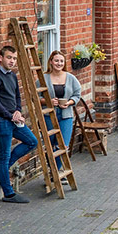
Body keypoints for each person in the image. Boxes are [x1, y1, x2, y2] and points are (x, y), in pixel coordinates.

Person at [0, 46, 38, 203]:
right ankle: (9, 194)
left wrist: (17, 112)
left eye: (14, 58)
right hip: (0, 121)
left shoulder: (13, 76)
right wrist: (10, 116)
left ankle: (1, 169)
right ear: (1, 57)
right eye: (9, 57)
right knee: (3, 155)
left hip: (12, 119)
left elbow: (17, 97)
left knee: (32, 141)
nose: (12, 61)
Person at [41, 50, 81, 178]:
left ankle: (55, 173)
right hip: (49, 116)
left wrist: (69, 103)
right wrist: (48, 101)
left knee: (62, 145)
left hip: (66, 116)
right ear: (51, 62)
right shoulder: (44, 78)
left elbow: (77, 95)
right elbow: (35, 97)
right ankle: (53, 171)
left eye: (61, 61)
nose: (59, 63)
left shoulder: (70, 78)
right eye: (56, 60)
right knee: (51, 145)